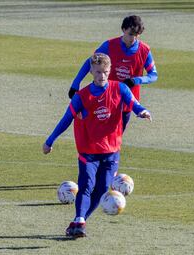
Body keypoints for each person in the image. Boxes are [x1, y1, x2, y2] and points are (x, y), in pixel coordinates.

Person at [43, 53, 151, 238]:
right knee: (86, 186)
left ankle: (79, 222)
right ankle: (79, 219)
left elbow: (134, 104)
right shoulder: (82, 96)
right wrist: (50, 140)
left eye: (106, 72)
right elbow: (66, 119)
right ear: (92, 71)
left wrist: (142, 111)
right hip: (89, 151)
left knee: (101, 189)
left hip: (111, 152)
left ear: (109, 71)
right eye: (98, 72)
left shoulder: (120, 89)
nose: (102, 75)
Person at [68, 15, 157, 130]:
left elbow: (153, 75)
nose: (133, 38)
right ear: (123, 29)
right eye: (130, 34)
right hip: (104, 96)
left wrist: (136, 80)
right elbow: (90, 61)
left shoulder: (144, 50)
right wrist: (76, 83)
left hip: (127, 101)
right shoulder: (109, 45)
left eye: (136, 35)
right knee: (95, 132)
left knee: (115, 138)